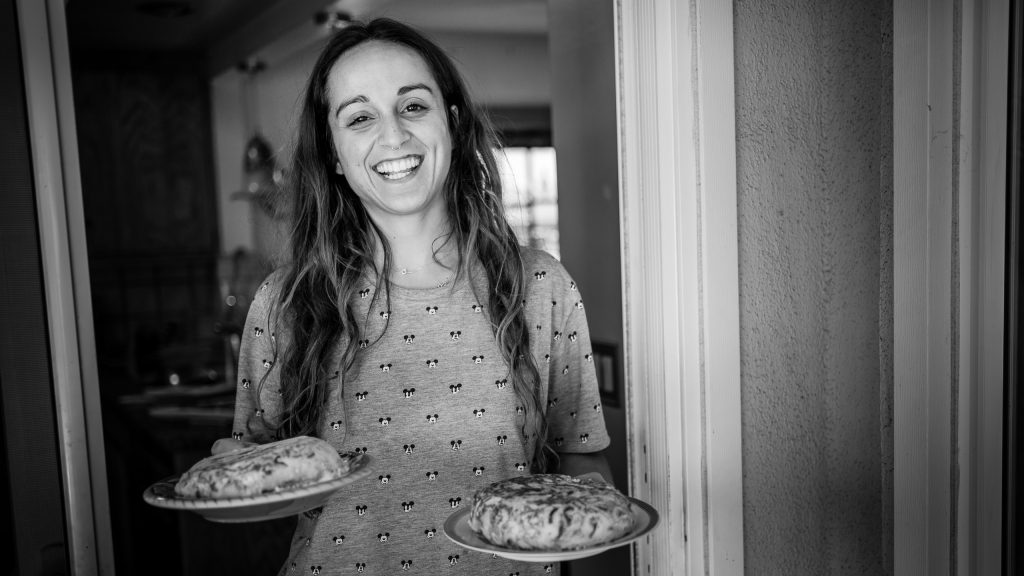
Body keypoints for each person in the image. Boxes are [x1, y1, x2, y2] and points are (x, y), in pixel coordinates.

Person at [214, 17, 613, 576]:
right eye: (359, 118)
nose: (393, 136)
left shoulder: (541, 288)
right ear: (332, 151)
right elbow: (258, 471)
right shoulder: (285, 302)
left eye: (413, 106)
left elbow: (583, 460)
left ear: (450, 122)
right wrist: (234, 466)